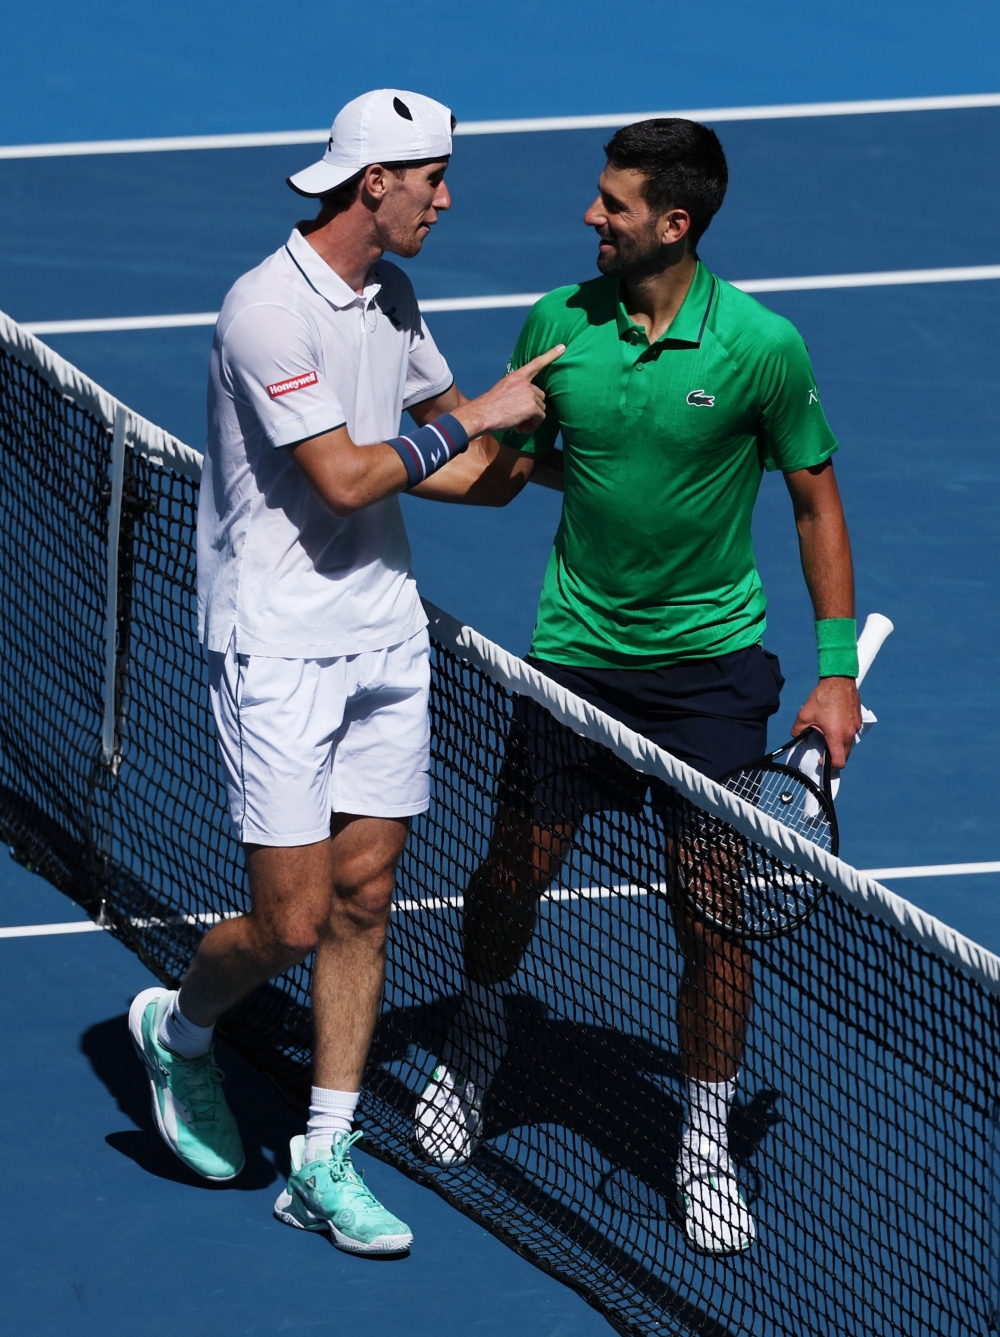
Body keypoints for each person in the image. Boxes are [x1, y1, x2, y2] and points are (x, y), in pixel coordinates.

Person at [414, 117, 862, 1257]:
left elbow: (815, 502)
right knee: (515, 868)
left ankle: (702, 1136)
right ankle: (478, 1031)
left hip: (709, 673)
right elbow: (509, 474)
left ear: (674, 222)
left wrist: (835, 672)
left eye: (610, 203)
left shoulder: (761, 346)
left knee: (711, 912)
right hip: (572, 656)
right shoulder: (560, 325)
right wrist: (371, 476)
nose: (588, 217)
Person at [128, 87, 562, 1256]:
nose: (448, 197)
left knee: (366, 898)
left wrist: (548, 452)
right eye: (435, 178)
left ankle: (324, 1152)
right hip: (275, 645)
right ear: (377, 182)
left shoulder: (393, 297)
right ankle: (178, 1027)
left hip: (381, 632)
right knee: (291, 916)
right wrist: (491, 412)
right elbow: (351, 476)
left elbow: (448, 450)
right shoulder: (265, 310)